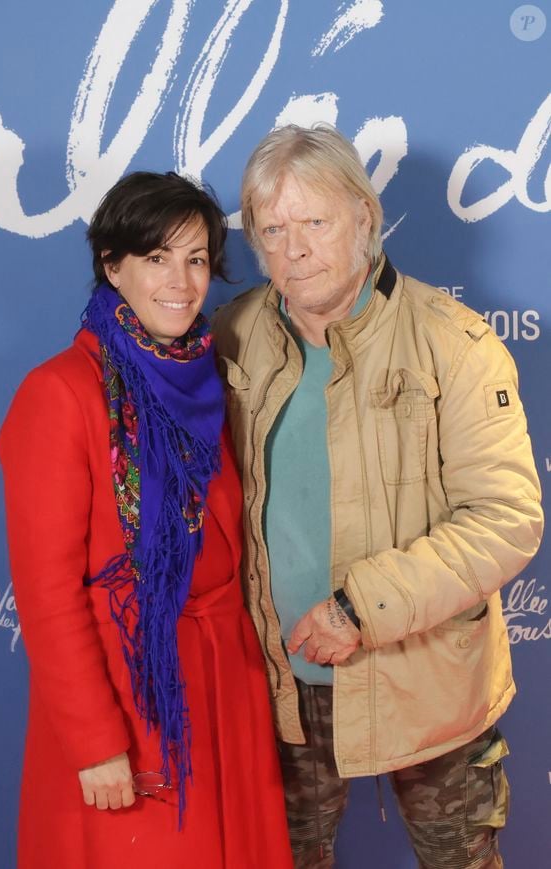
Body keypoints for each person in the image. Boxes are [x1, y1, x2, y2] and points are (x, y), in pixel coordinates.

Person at [213, 125, 543, 869]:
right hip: (285, 691)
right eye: (273, 228)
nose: (292, 249)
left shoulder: (453, 342)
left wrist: (360, 607)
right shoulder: (233, 337)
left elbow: (506, 518)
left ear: (365, 215)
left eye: (315, 222)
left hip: (428, 688)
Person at [0, 171, 293, 869]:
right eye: (157, 257)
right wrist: (95, 741)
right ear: (113, 266)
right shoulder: (59, 393)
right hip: (132, 698)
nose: (181, 281)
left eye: (196, 260)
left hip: (227, 685)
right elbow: (47, 595)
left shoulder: (207, 378)